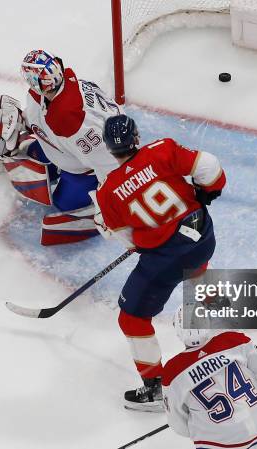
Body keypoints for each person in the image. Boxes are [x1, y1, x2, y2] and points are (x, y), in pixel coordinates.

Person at [91, 114, 227, 411]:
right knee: (195, 261)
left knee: (132, 318)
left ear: (109, 148)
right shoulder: (162, 149)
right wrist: (208, 193)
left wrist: (147, 239)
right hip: (203, 236)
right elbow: (210, 168)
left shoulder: (107, 192)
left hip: (167, 257)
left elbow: (129, 240)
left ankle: (155, 389)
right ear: (136, 138)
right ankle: (213, 312)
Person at [0, 49, 122, 245]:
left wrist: (108, 203)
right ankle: (50, 161)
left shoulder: (77, 125)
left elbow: (111, 163)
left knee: (63, 203)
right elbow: (38, 114)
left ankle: (79, 189)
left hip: (87, 170)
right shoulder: (51, 91)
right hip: (64, 149)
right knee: (30, 153)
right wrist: (20, 122)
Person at [162, 307, 257, 449]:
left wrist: (200, 424)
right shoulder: (234, 341)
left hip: (216, 445)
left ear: (177, 330)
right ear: (207, 323)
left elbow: (178, 425)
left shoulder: (173, 372)